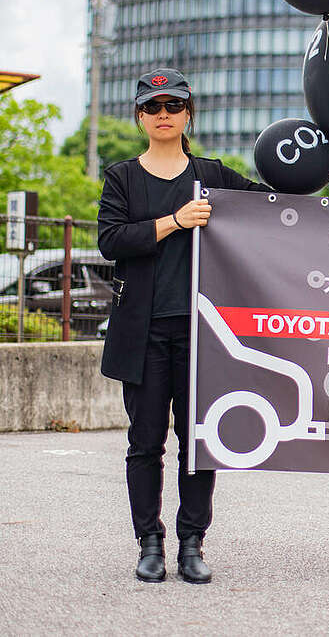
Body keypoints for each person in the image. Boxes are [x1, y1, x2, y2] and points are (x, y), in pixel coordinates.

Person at [98, 68, 270, 583]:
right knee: (145, 443)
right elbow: (112, 241)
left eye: (173, 105)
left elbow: (273, 209)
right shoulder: (122, 177)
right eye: (153, 107)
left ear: (188, 114)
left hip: (204, 335)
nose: (163, 114)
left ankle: (192, 544)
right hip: (143, 333)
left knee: (199, 442)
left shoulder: (214, 175)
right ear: (139, 117)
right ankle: (149, 543)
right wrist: (176, 220)